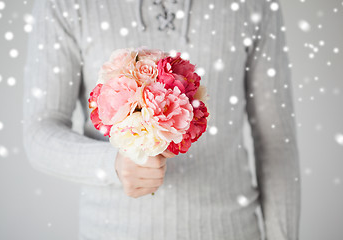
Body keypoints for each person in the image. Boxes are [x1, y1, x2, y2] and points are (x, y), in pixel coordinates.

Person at [23, 0, 301, 239]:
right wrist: (111, 164)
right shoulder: (64, 5)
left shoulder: (253, 5)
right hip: (111, 232)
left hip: (232, 229)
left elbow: (277, 141)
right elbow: (40, 129)